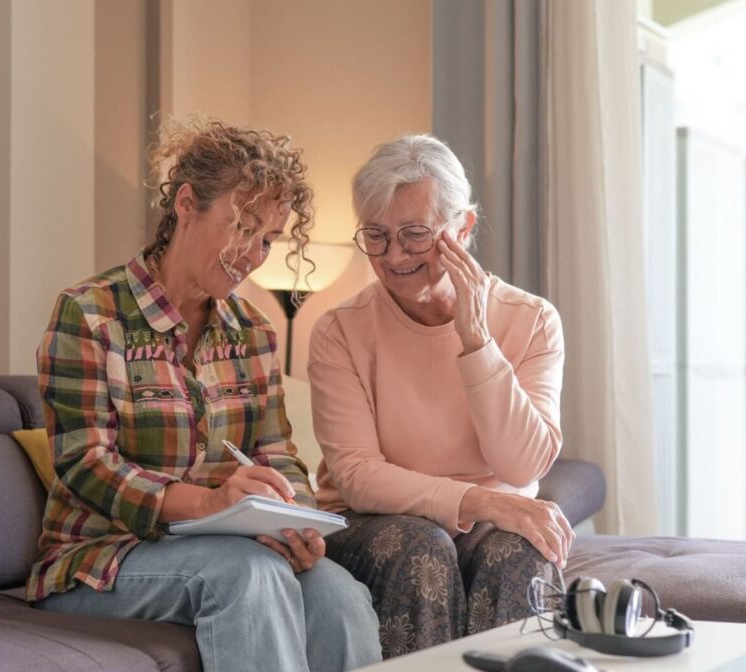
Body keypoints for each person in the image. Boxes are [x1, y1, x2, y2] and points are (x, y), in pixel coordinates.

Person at [29, 117, 381, 672]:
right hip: (100, 558)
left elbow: (278, 453)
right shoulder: (91, 314)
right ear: (187, 204)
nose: (253, 254)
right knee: (247, 575)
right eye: (242, 227)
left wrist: (297, 521)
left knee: (337, 592)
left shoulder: (254, 331)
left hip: (226, 549)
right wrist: (210, 504)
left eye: (267, 239)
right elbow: (86, 465)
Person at [308, 134, 574, 658]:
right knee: (421, 550)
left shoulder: (532, 320)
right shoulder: (339, 331)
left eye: (415, 234)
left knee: (520, 550)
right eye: (377, 236)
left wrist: (476, 340)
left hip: (494, 520)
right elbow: (358, 478)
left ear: (463, 228)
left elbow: (521, 467)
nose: (394, 256)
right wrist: (477, 500)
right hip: (375, 523)